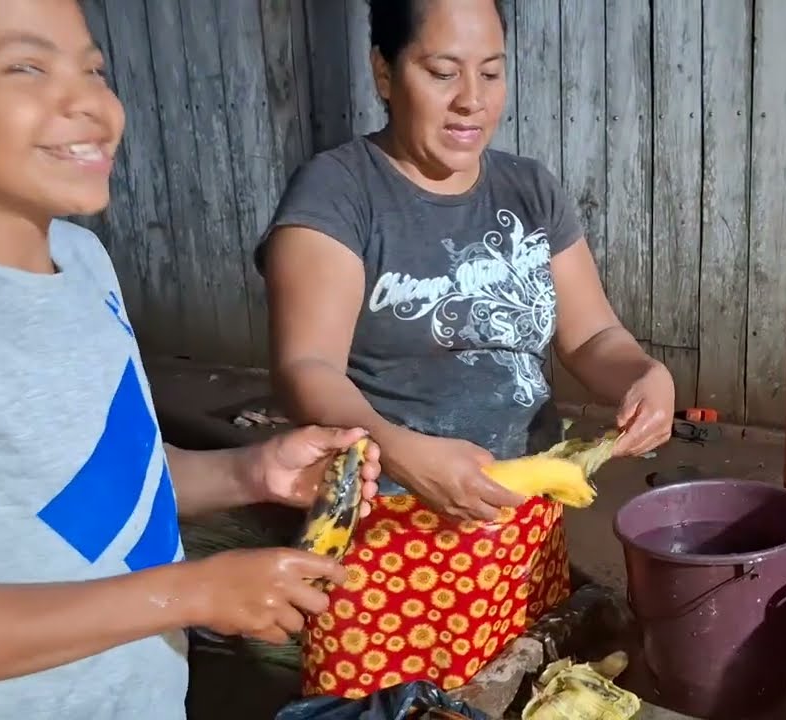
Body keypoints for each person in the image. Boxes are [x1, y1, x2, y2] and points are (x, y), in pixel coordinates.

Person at [0, 1, 381, 718]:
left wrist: (250, 472)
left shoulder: (80, 259)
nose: (91, 103)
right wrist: (193, 591)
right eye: (25, 67)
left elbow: (104, 477)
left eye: (94, 69)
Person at [258, 0, 675, 699]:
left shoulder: (529, 189)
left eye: (491, 73)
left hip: (519, 527)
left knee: (520, 696)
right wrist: (397, 448)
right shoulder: (339, 191)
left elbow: (592, 334)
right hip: (390, 535)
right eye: (441, 72)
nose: (471, 102)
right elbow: (307, 366)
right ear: (384, 73)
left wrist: (644, 373)